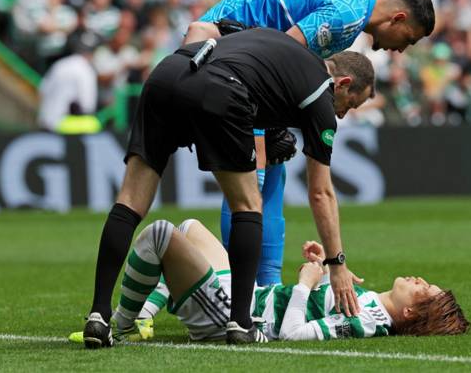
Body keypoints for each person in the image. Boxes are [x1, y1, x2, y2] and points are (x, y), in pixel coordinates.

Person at [82, 27, 375, 348]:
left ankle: (98, 316)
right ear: (342, 83)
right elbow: (321, 193)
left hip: (166, 73)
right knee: (248, 205)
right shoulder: (321, 93)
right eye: (351, 104)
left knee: (130, 200)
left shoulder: (283, 47)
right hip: (218, 87)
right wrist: (336, 263)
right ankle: (241, 323)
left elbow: (227, 41)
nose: (343, 113)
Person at [183, 0, 436, 288]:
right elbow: (280, 55)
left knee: (272, 168)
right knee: (250, 182)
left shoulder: (354, 1)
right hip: (225, 59)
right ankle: (238, 290)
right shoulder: (347, 17)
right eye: (409, 39)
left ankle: (267, 286)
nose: (401, 50)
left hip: (228, 54)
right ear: (398, 18)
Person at [71, 218, 470, 344]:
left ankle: (119, 324)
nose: (420, 279)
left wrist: (306, 284)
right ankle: (145, 313)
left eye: (424, 288)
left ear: (411, 312)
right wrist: (319, 268)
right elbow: (312, 308)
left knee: (159, 234)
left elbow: (293, 334)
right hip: (248, 297)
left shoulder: (369, 321)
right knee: (189, 228)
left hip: (235, 318)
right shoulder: (370, 305)